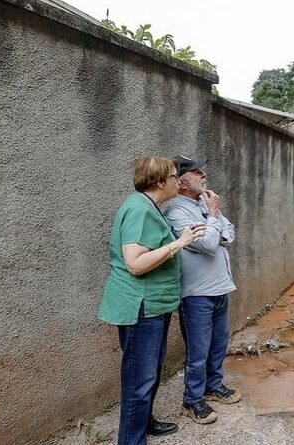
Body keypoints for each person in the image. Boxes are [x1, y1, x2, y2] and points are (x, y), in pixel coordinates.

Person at [98, 156, 205, 444]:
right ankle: (131, 440)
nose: (178, 180)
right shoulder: (139, 211)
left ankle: (144, 423)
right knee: (139, 380)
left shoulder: (150, 207)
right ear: (159, 182)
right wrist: (178, 243)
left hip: (154, 306)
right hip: (140, 307)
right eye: (173, 176)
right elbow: (135, 263)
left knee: (150, 372)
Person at [164, 155, 241, 425]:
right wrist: (213, 218)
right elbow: (209, 244)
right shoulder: (177, 211)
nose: (203, 175)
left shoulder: (204, 204)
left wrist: (213, 221)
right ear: (182, 182)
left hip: (220, 287)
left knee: (219, 343)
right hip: (196, 293)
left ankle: (213, 385)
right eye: (196, 172)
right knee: (198, 350)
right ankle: (192, 400)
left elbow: (229, 233)